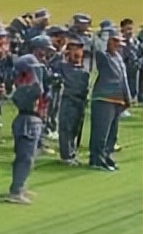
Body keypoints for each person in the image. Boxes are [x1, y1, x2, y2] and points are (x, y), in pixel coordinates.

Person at [88, 30, 131, 171]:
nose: (118, 45)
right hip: (103, 98)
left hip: (118, 99)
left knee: (112, 133)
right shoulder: (103, 56)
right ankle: (96, 159)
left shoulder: (118, 57)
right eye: (115, 41)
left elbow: (123, 79)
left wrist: (127, 98)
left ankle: (106, 156)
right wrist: (105, 35)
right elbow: (98, 46)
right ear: (109, 41)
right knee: (101, 132)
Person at [5, 55, 46, 204]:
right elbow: (38, 89)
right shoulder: (24, 87)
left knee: (28, 158)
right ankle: (16, 191)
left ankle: (20, 187)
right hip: (27, 122)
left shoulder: (27, 85)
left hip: (32, 121)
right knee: (25, 158)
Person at [55, 35, 89, 165]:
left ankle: (72, 153)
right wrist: (62, 51)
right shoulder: (63, 66)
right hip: (68, 100)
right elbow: (53, 62)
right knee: (66, 128)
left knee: (75, 128)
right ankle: (66, 156)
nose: (77, 53)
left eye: (79, 50)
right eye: (73, 50)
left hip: (80, 101)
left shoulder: (84, 70)